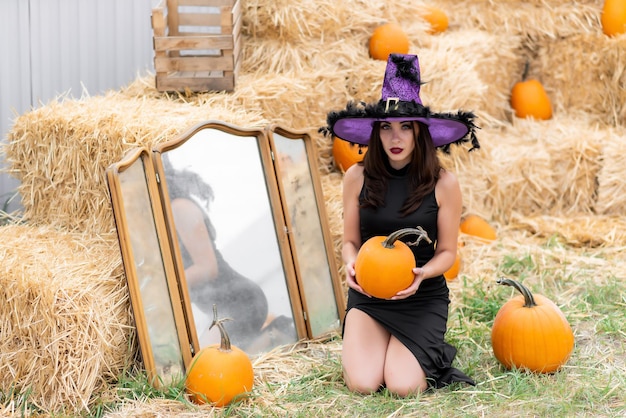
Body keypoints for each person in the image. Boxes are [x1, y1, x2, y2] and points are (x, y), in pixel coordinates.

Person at [321, 53, 480, 396]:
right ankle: (386, 344)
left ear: (419, 132)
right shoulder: (356, 177)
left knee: (402, 387)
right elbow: (350, 241)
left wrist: (424, 273)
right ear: (376, 133)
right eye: (387, 128)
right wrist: (350, 262)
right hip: (370, 292)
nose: (396, 137)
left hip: (420, 295)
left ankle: (422, 349)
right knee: (364, 384)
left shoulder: (443, 182)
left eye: (405, 127)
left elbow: (448, 252)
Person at [162, 161, 271, 350]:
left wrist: (162, 286)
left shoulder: (180, 208)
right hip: (225, 308)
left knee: (202, 362)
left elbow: (207, 268)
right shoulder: (169, 213)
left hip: (241, 302)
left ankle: (277, 333)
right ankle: (270, 336)